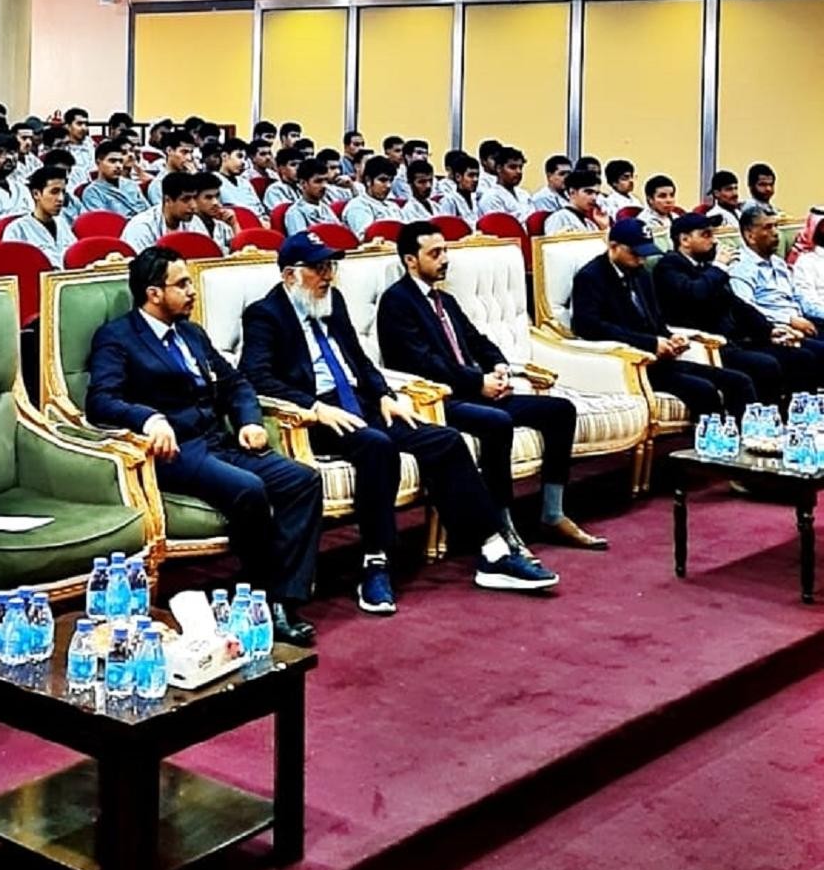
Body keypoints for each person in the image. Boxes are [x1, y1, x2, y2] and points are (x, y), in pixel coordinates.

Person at [242, 232, 559, 608]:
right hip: (317, 417)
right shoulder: (265, 314)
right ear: (290, 274)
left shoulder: (332, 301)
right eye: (318, 268)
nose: (328, 275)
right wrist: (312, 406)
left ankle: (493, 552)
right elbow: (257, 376)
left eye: (330, 266)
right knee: (378, 447)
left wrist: (385, 395)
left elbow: (359, 361)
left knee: (445, 440)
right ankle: (375, 563)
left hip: (359, 402)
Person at [87, 247, 320, 644]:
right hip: (176, 450)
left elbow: (236, 383)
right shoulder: (118, 337)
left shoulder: (191, 333)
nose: (192, 291)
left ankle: (281, 597)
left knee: (303, 480)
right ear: (154, 293)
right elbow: (101, 401)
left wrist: (249, 420)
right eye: (181, 284)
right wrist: (148, 418)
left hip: (219, 439)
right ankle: (261, 600)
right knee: (249, 489)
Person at [380, 221, 604, 555]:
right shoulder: (396, 302)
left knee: (560, 411)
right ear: (411, 260)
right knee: (496, 422)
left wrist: (498, 366)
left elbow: (477, 340)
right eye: (435, 253)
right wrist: (478, 382)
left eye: (445, 251)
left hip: (475, 390)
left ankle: (553, 513)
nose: (445, 259)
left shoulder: (444, 299)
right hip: (439, 401)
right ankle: (502, 523)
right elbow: (423, 362)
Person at [571, 218, 756, 420]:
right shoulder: (590, 277)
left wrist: (670, 337)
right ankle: (713, 438)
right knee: (703, 390)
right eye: (636, 253)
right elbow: (589, 327)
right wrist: (650, 343)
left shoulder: (640, 274)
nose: (641, 260)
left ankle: (746, 435)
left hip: (659, 361)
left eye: (645, 254)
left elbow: (655, 320)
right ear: (614, 247)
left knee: (739, 381)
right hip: (628, 364)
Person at [654, 212, 818, 402]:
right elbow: (695, 294)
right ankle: (763, 417)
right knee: (765, 365)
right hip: (707, 344)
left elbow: (737, 305)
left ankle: (799, 414)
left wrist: (770, 330)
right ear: (684, 240)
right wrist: (718, 267)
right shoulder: (669, 267)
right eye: (706, 235)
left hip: (735, 340)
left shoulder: (704, 267)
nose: (714, 241)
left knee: (801, 357)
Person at [729, 202, 824, 330]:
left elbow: (799, 296)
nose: (776, 233)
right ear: (749, 235)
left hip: (803, 321)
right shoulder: (741, 266)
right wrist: (788, 320)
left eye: (776, 226)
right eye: (768, 227)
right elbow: (745, 308)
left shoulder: (778, 262)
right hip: (772, 328)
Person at [1, 166, 77, 269]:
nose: (60, 198)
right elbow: (13, 266)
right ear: (36, 194)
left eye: (63, 192)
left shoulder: (63, 223)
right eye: (54, 192)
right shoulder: (16, 230)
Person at [121, 171, 208, 253]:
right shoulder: (141, 227)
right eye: (186, 199)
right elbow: (142, 263)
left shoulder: (195, 221)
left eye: (195, 198)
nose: (194, 206)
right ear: (168, 200)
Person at [82, 139, 149, 217]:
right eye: (112, 161)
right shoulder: (92, 192)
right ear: (98, 162)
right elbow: (102, 220)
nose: (118, 166)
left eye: (120, 161)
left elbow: (148, 210)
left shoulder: (131, 184)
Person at [341, 156, 402, 237]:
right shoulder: (358, 206)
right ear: (368, 180)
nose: (388, 185)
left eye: (391, 180)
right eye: (383, 180)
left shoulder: (393, 206)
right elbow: (366, 238)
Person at [283, 159, 341, 236]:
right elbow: (300, 242)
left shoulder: (325, 208)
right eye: (318, 181)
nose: (324, 185)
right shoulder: (295, 213)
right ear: (303, 183)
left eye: (326, 180)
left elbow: (340, 233)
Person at [544, 170, 607, 235]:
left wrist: (604, 227)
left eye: (597, 194)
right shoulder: (558, 218)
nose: (594, 198)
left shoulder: (590, 224)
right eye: (588, 192)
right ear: (572, 192)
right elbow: (551, 241)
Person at [477, 146, 532, 221]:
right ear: (499, 168)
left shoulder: (524, 195)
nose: (519, 172)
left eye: (520, 167)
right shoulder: (491, 198)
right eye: (512, 167)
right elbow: (500, 225)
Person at [214, 138, 265, 219]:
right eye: (239, 156)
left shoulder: (245, 182)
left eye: (245, 158)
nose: (243, 162)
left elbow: (260, 209)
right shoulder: (213, 181)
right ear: (224, 156)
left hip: (258, 222)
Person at [145, 131, 197, 207]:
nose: (189, 158)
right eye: (184, 152)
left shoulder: (193, 176)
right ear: (169, 150)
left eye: (191, 152)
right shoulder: (158, 185)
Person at [191, 171, 238, 254]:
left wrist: (234, 225)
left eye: (217, 196)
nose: (215, 202)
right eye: (208, 197)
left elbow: (240, 252)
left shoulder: (222, 224)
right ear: (194, 199)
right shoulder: (187, 225)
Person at [437, 154, 482, 227]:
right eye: (471, 175)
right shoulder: (449, 201)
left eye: (477, 175)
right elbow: (447, 227)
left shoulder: (477, 199)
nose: (475, 179)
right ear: (458, 177)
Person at [63, 107, 95, 180]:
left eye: (86, 124)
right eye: (79, 124)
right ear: (68, 126)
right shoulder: (62, 148)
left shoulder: (93, 146)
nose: (84, 128)